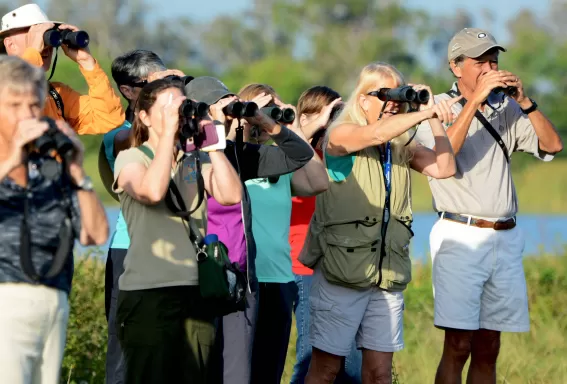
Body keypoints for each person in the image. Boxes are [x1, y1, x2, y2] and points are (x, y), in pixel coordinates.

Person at [414, 28, 563, 384]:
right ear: (456, 66)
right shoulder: (434, 107)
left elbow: (553, 145)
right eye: (480, 61)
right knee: (458, 344)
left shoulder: (508, 107)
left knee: (489, 345)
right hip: (460, 234)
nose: (490, 67)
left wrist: (525, 102)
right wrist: (474, 102)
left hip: (505, 237)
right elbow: (442, 155)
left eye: (493, 60)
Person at [300, 62, 460, 384]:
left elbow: (444, 168)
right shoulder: (339, 135)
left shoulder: (399, 146)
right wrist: (421, 115)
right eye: (384, 95)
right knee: (326, 370)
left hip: (385, 273)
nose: (393, 104)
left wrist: (436, 118)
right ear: (362, 100)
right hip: (342, 271)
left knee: (379, 374)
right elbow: (373, 133)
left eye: (398, 96)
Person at [185, 76, 315, 384]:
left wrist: (265, 122)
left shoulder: (239, 154)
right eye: (221, 105)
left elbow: (300, 156)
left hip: (240, 281)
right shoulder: (184, 154)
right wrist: (212, 134)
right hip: (198, 278)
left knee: (240, 375)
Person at [112, 76, 242, 384]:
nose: (176, 113)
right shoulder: (131, 158)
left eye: (180, 106)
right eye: (167, 107)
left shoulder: (192, 161)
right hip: (148, 293)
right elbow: (152, 192)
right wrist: (168, 134)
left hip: (196, 293)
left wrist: (214, 146)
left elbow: (231, 195)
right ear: (143, 116)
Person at [0, 55, 109, 384]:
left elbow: (95, 234)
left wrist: (76, 168)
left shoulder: (48, 165)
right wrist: (11, 158)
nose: (26, 115)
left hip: (52, 301)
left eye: (33, 105)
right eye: (14, 104)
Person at [238, 83, 330, 384]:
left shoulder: (278, 161)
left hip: (279, 279)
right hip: (243, 279)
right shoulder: (230, 158)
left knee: (269, 372)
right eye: (258, 111)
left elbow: (318, 182)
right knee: (238, 372)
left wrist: (289, 129)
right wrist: (242, 119)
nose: (263, 120)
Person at [100, 49, 182, 384]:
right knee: (125, 355)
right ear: (130, 91)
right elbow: (129, 140)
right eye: (156, 86)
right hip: (130, 251)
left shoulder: (182, 127)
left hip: (175, 254)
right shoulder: (117, 132)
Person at [290, 85, 362, 384]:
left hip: (343, 264)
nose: (332, 121)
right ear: (304, 116)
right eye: (327, 115)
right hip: (303, 264)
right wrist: (311, 126)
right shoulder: (289, 151)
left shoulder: (338, 152)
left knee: (351, 361)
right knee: (310, 355)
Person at [0, 3, 124, 134]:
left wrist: (87, 62)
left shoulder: (56, 95)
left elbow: (109, 120)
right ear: (10, 45)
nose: (45, 45)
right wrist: (33, 52)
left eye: (47, 36)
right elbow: (13, 97)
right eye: (35, 35)